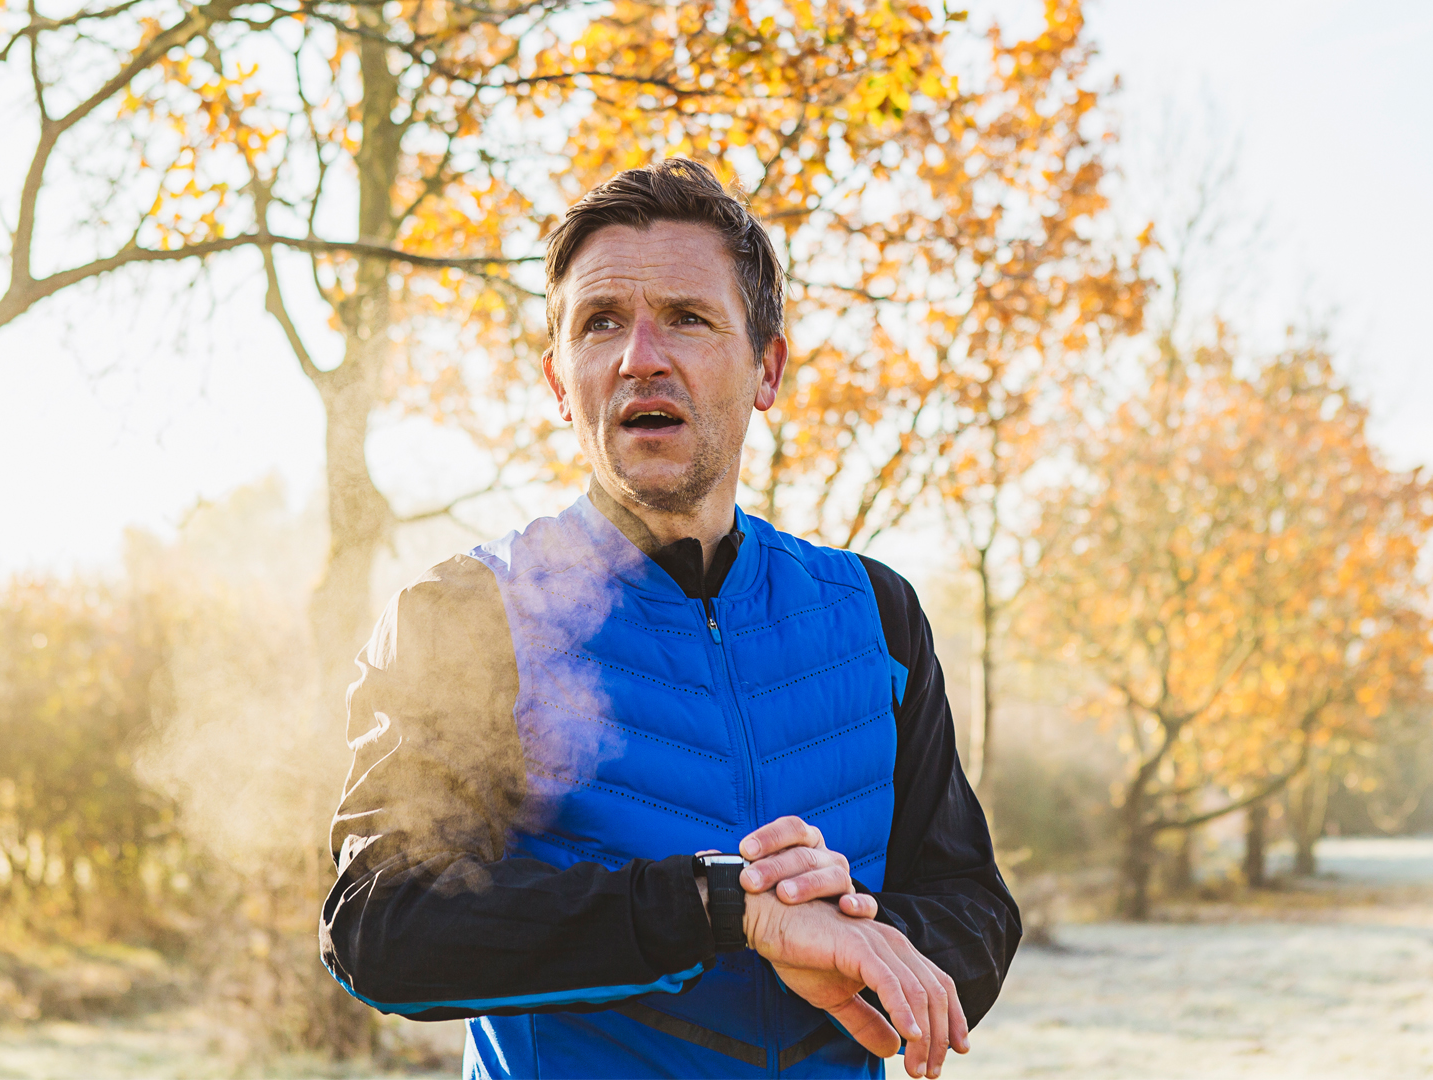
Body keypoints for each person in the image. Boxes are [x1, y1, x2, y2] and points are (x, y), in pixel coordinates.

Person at [320, 158, 1020, 1080]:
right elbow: (381, 926)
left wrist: (857, 935)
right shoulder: (463, 618)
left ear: (766, 368)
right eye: (600, 323)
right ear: (561, 382)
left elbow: (973, 906)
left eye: (687, 319)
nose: (639, 355)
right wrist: (721, 907)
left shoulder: (876, 614)